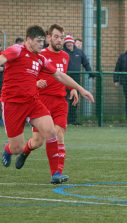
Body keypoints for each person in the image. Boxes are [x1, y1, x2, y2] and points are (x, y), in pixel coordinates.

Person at [0, 25, 94, 184]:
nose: (41, 45)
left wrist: (80, 89)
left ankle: (55, 174)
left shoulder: (41, 58)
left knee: (52, 132)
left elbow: (59, 75)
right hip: (13, 104)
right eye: (38, 41)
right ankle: (8, 149)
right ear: (29, 40)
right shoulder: (17, 50)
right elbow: (2, 58)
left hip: (33, 102)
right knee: (18, 148)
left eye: (43, 41)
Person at [13, 24, 79, 184]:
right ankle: (25, 152)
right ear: (49, 37)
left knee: (59, 135)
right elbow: (27, 75)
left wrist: (73, 88)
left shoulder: (65, 56)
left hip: (60, 102)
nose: (59, 40)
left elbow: (62, 76)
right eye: (56, 36)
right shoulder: (40, 54)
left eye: (62, 37)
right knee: (37, 141)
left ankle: (57, 173)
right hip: (41, 101)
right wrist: (36, 83)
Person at [64, 34, 93, 125]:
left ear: (73, 43)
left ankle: (72, 120)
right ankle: (64, 120)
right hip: (64, 79)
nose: (69, 44)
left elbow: (86, 63)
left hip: (76, 80)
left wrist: (90, 73)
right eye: (67, 42)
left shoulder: (79, 52)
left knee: (74, 100)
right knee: (64, 100)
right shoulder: (62, 52)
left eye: (70, 42)